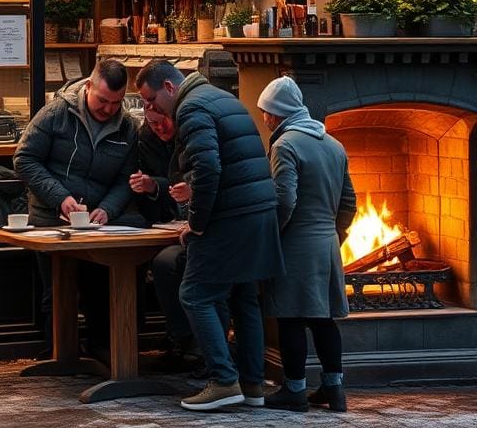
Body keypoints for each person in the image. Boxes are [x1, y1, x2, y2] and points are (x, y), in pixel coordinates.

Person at [135, 59, 284, 412]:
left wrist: (197, 223)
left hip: (230, 218)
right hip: (258, 213)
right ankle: (252, 385)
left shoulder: (192, 108)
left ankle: (222, 380)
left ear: (170, 87)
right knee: (244, 299)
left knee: (195, 294)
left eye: (151, 99)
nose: (149, 108)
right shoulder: (222, 98)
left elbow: (207, 168)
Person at [14, 58, 139, 356]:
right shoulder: (56, 113)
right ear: (88, 87)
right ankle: (59, 353)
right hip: (50, 218)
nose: (109, 109)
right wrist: (60, 197)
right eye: (103, 101)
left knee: (99, 286)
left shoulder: (128, 128)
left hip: (98, 222)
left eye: (116, 103)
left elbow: (127, 179)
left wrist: (108, 208)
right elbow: (24, 159)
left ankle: (100, 351)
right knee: (57, 288)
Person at [256, 76, 357, 413]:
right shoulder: (334, 144)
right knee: (324, 319)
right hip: (326, 244)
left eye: (266, 112)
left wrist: (273, 235)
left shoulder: (285, 145)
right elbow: (350, 203)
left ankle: (295, 390)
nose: (265, 118)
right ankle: (334, 389)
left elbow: (284, 199)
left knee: (291, 318)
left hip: (295, 244)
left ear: (277, 113)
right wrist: (335, 235)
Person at [130, 106, 197, 363]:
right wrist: (151, 185)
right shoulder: (146, 137)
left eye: (163, 122)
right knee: (159, 260)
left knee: (167, 262)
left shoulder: (193, 130)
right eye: (154, 124)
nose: (160, 129)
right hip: (169, 220)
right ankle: (179, 337)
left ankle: (186, 341)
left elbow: (204, 178)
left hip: (200, 227)